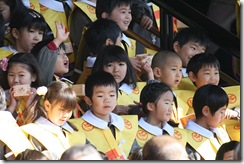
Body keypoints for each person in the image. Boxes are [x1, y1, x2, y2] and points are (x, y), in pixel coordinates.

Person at [68, 71, 138, 160]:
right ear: (88, 100)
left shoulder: (125, 124)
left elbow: (136, 154)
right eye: (100, 96)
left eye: (112, 95)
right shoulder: (77, 128)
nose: (107, 100)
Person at [20, 81, 86, 159]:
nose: (66, 115)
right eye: (62, 110)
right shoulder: (34, 132)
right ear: (47, 105)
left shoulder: (74, 129)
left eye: (69, 111)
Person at [92, 45, 153, 114]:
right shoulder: (93, 91)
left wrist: (142, 110)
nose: (116, 70)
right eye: (110, 65)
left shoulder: (136, 88)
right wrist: (110, 113)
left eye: (121, 64)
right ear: (100, 67)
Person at [96, 0, 149, 76]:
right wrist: (126, 62)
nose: (128, 17)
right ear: (105, 16)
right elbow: (93, 62)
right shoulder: (98, 37)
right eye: (123, 12)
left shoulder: (127, 41)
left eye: (129, 12)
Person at [129, 82, 186, 148]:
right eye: (167, 103)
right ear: (150, 106)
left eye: (171, 104)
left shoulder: (176, 132)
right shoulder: (133, 132)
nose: (170, 108)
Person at [184, 84, 231, 160]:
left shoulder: (219, 131)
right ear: (206, 111)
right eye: (222, 112)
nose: (224, 115)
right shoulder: (187, 141)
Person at [74, 18, 122, 84]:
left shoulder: (87, 70)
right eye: (120, 40)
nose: (121, 45)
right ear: (109, 43)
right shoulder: (106, 72)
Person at [1, 53, 42, 126]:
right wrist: (12, 106)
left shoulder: (40, 97)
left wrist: (29, 106)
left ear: (33, 77)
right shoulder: (2, 96)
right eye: (11, 75)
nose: (15, 80)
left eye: (21, 75)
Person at [31, 21, 71, 87]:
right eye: (58, 54)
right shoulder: (45, 80)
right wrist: (58, 40)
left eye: (64, 53)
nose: (65, 57)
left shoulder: (63, 81)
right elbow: (45, 57)